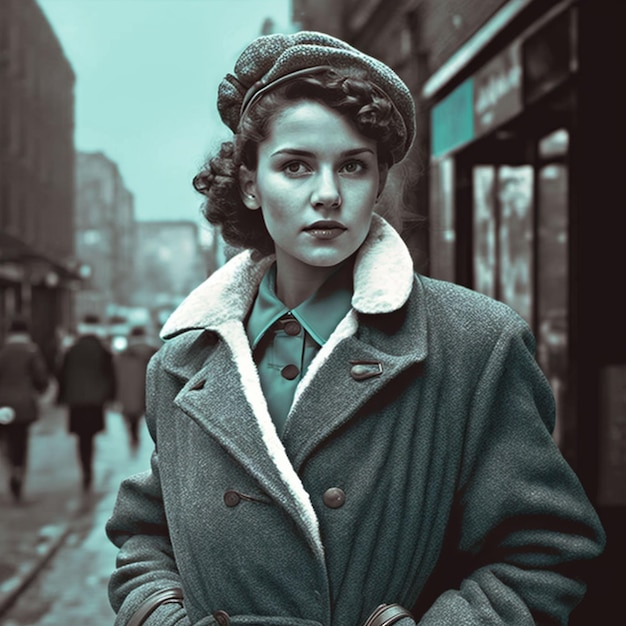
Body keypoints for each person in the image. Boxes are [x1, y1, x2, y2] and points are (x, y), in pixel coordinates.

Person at [106, 31, 605, 626]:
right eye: (295, 166)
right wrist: (158, 613)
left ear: (377, 182)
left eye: (352, 166)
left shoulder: (473, 343)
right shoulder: (184, 360)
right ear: (249, 183)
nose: (326, 195)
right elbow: (145, 532)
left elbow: (545, 549)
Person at [57, 313, 116, 491]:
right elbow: (110, 376)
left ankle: (85, 469)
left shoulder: (71, 349)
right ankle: (88, 468)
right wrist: (111, 397)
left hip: (76, 401)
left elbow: (61, 375)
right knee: (90, 436)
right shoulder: (103, 350)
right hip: (95, 401)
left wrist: (61, 397)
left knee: (82, 438)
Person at [0, 315, 49, 502]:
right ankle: (18, 471)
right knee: (20, 440)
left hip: (3, 406)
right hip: (24, 406)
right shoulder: (31, 351)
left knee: (6, 439)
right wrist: (40, 391)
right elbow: (41, 378)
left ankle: (11, 467)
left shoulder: (3, 352)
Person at [114, 325, 159, 453]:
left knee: (132, 418)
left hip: (130, 394)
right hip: (150, 393)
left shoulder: (124, 353)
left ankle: (134, 437)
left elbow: (119, 375)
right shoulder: (154, 352)